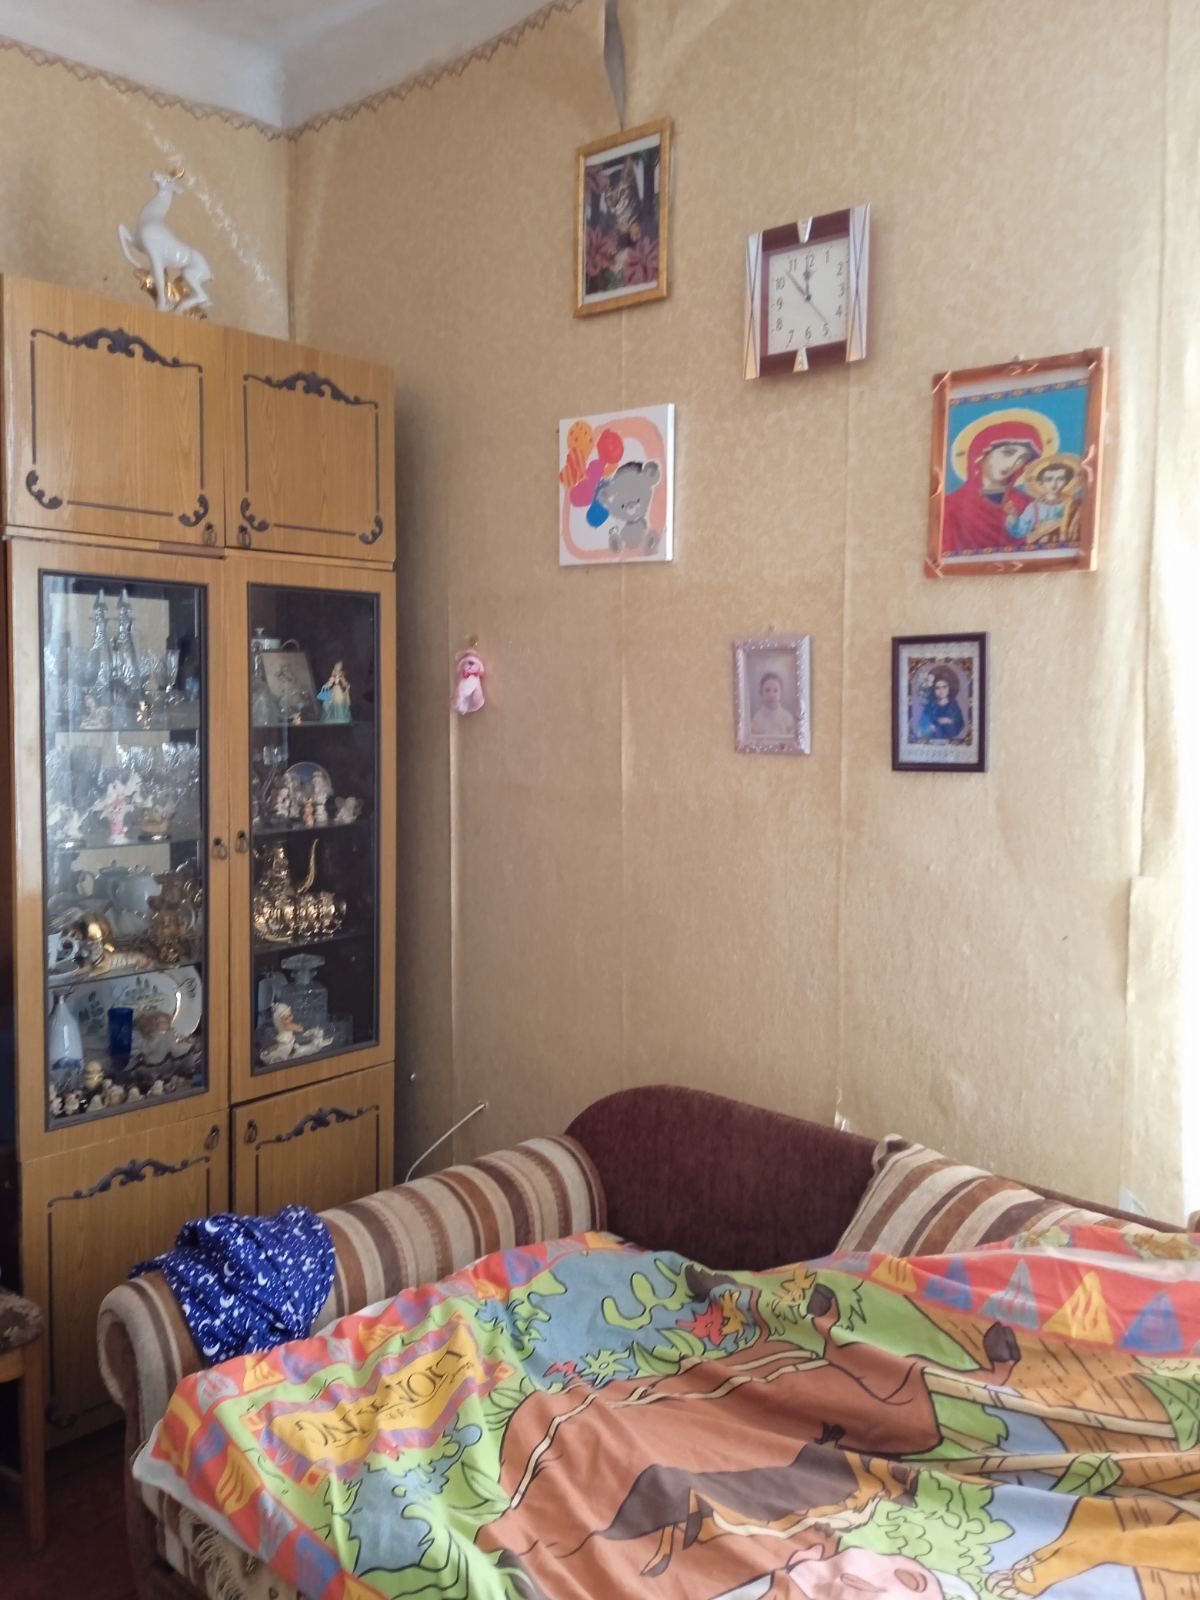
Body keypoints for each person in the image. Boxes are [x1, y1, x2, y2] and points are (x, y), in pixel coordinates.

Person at [942, 418, 1043, 553]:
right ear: (982, 452)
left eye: (1022, 458)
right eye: (1008, 453)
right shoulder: (951, 507)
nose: (1013, 464)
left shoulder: (1028, 505)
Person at [1005, 453, 1082, 547]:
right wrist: (1012, 515)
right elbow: (1019, 531)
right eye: (1049, 479)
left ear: (1067, 481)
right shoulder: (1034, 507)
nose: (1054, 483)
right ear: (1041, 482)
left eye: (1060, 479)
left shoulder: (1072, 504)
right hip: (1039, 549)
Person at [915, 667, 965, 742]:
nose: (941, 691)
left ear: (949, 688)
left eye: (944, 687)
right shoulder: (930, 707)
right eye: (937, 688)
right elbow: (922, 723)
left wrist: (949, 721)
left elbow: (959, 724)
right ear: (933, 690)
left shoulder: (953, 706)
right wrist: (930, 726)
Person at [750, 671, 796, 738]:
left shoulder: (788, 718)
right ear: (761, 693)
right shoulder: (756, 720)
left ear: (781, 693)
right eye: (767, 690)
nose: (771, 695)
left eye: (775, 690)